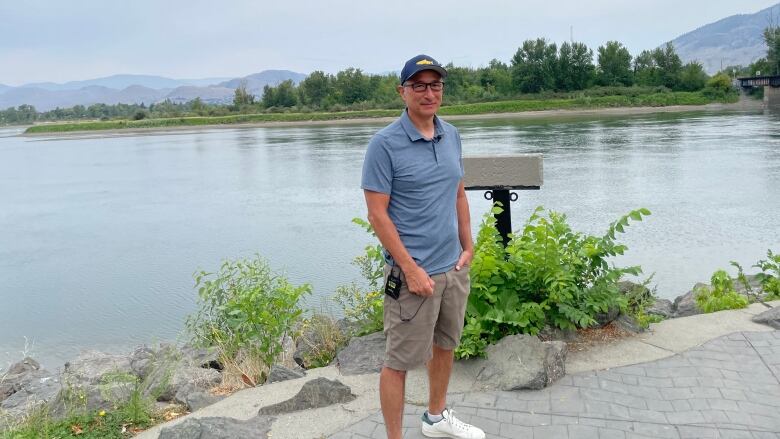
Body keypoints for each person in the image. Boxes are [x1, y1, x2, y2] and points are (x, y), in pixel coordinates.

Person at [361, 54, 485, 439]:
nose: (428, 93)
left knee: (446, 345)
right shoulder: (384, 145)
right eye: (419, 85)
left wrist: (468, 244)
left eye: (435, 85)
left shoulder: (452, 134)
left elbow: (458, 193)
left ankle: (435, 418)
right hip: (412, 276)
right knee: (398, 362)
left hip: (453, 268)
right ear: (403, 91)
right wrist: (411, 270)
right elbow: (378, 216)